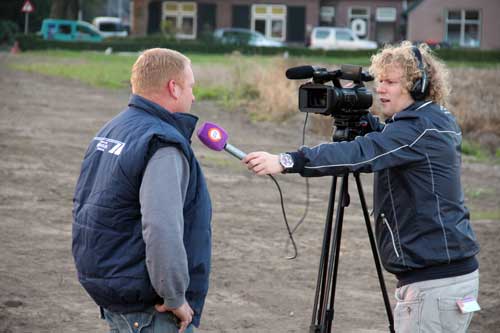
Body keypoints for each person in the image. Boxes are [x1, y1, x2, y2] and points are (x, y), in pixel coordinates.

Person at [242, 41, 480, 332]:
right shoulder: (430, 120)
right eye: (379, 80)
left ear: (419, 86)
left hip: (435, 283)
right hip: (443, 276)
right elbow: (391, 141)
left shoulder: (418, 128)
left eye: (391, 82)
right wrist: (370, 126)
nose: (380, 88)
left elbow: (360, 154)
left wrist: (289, 160)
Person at [72, 48, 212, 333]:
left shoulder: (113, 129)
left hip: (114, 288)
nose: (193, 96)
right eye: (190, 86)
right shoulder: (161, 143)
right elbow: (161, 226)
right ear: (173, 87)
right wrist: (174, 296)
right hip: (149, 307)